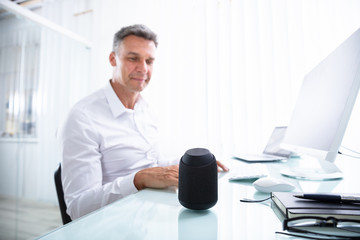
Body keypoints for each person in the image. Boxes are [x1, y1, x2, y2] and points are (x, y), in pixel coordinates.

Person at [59, 24, 228, 220]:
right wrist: (138, 179)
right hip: (111, 223)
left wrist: (191, 166)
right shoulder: (83, 117)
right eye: (133, 59)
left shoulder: (145, 109)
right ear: (113, 59)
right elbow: (78, 208)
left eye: (149, 61)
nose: (143, 69)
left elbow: (152, 163)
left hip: (149, 215)